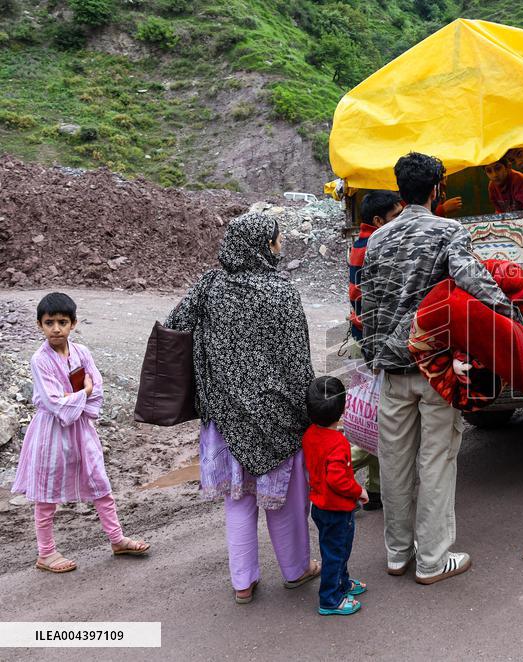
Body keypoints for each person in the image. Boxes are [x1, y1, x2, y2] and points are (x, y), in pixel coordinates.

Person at [359, 152, 522, 584]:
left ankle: (397, 554)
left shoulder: (377, 239)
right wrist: (512, 315)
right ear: (436, 189)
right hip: (436, 369)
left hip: (392, 369)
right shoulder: (449, 231)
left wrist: (375, 357)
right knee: (436, 460)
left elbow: (367, 303)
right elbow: (474, 281)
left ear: (400, 190)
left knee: (394, 462)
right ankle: (432, 559)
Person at [165, 212, 319, 604]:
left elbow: (175, 324)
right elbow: (298, 361)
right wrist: (308, 412)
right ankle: (296, 570)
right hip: (276, 416)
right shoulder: (282, 293)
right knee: (282, 499)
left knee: (238, 500)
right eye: (277, 240)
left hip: (225, 416)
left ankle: (243, 583)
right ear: (264, 245)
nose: (280, 246)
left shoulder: (210, 286)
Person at [12, 292, 150, 573]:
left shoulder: (82, 353)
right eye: (49, 323)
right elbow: (53, 401)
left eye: (62, 322)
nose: (56, 329)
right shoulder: (39, 360)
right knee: (47, 493)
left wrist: (78, 396)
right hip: (50, 433)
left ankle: (117, 539)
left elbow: (97, 387)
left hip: (81, 428)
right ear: (39, 325)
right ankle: (46, 553)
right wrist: (83, 393)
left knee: (100, 481)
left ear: (73, 324)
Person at [347, 190, 403, 512]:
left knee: (374, 414)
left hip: (365, 338)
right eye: (397, 216)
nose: (401, 222)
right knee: (376, 419)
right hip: (373, 343)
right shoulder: (375, 246)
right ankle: (331, 472)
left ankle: (377, 490)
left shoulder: (362, 242)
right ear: (380, 221)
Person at [303, 376, 369, 615]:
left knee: (333, 549)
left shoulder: (310, 434)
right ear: (342, 409)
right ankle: (330, 599)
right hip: (337, 509)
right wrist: (359, 490)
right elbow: (337, 479)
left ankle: (342, 583)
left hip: (320, 506)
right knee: (336, 552)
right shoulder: (338, 443)